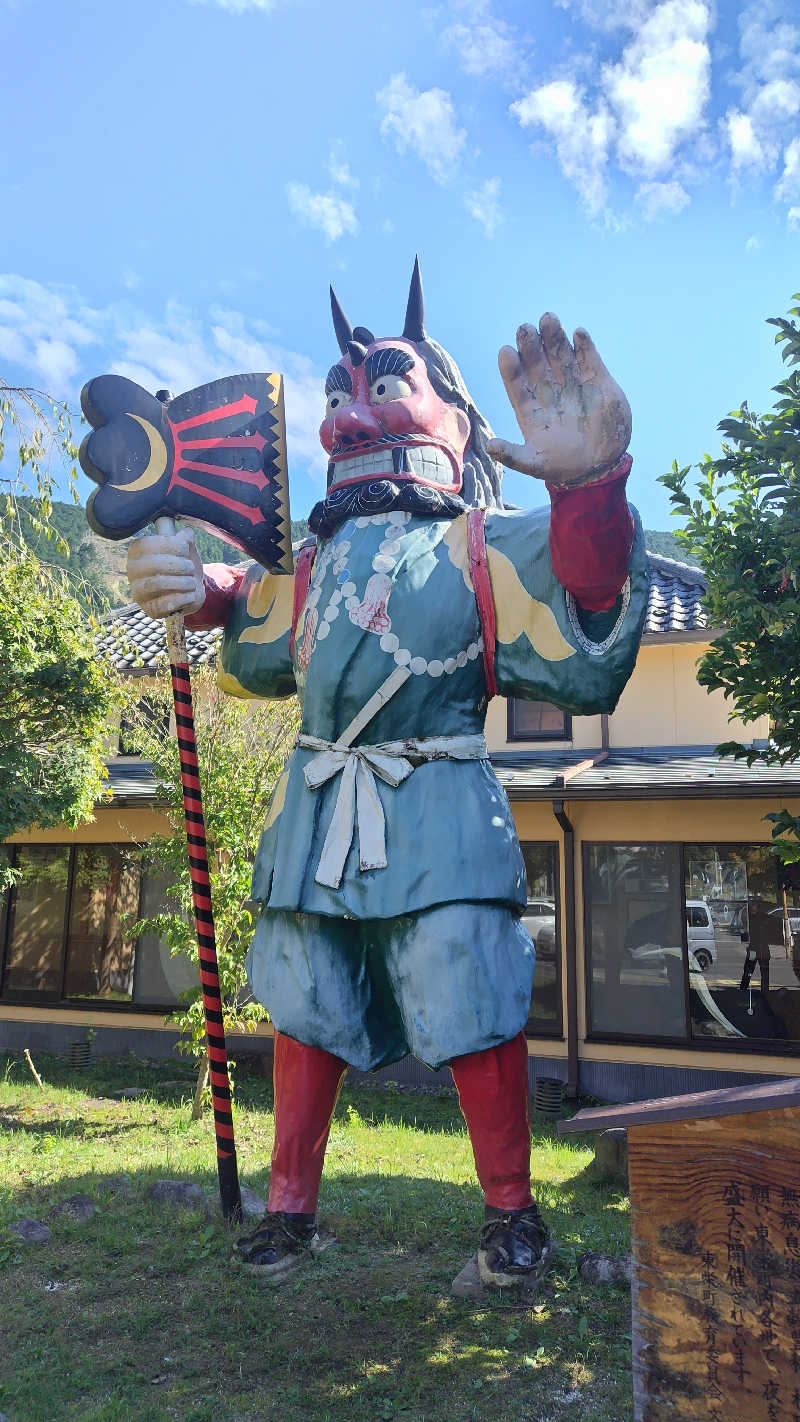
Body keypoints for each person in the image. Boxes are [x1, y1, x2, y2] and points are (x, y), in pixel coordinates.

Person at [126, 264, 648, 1287]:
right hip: (320, 805)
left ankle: (507, 1212)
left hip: (441, 798)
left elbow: (583, 599)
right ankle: (288, 1208)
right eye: (335, 395)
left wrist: (587, 488)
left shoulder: (478, 547)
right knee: (304, 995)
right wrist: (196, 583)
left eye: (381, 382)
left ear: (457, 418)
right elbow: (248, 617)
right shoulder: (312, 566)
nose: (348, 415)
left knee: (467, 986)